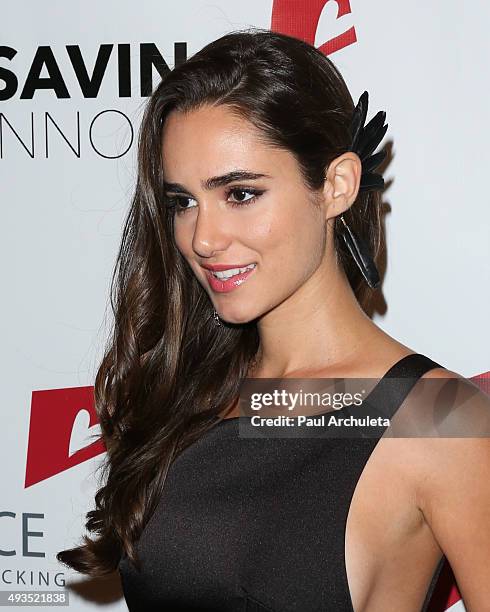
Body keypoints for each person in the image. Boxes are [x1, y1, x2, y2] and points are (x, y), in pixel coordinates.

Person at [57, 27, 490, 611]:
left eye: (239, 193)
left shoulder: (440, 420)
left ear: (336, 186)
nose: (203, 239)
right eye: (182, 201)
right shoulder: (197, 389)